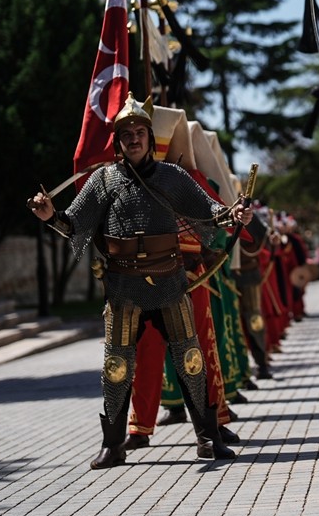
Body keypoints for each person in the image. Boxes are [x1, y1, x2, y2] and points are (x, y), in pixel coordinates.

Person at [28, 92, 252, 469]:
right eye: (126, 133)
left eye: (139, 132)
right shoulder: (103, 180)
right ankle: (113, 444)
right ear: (117, 141)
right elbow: (75, 225)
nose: (133, 138)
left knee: (190, 360)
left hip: (169, 281)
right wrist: (51, 216)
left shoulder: (172, 176)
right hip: (123, 287)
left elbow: (210, 212)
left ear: (149, 138)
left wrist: (234, 215)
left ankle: (208, 438)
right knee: (117, 366)